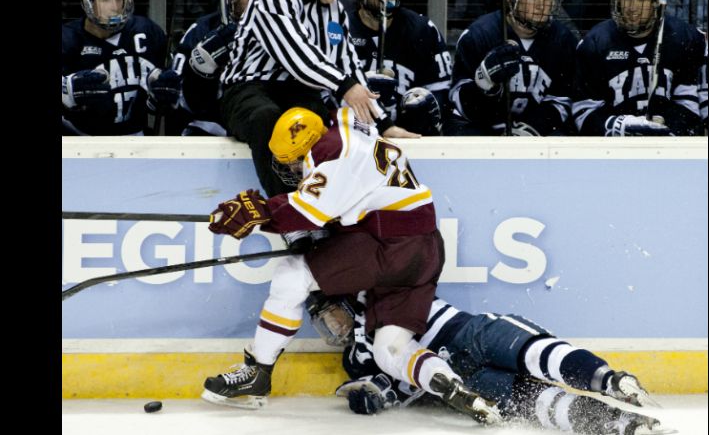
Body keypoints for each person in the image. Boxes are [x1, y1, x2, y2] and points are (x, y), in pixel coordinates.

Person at [201, 106, 503, 425]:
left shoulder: (332, 156)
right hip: (425, 250)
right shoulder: (349, 128)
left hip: (391, 245)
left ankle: (256, 373)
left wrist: (261, 211)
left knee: (292, 275)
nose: (291, 169)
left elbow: (306, 213)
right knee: (390, 350)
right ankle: (451, 386)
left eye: (294, 161)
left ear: (309, 148)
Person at [317, 292, 673, 435]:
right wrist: (369, 396)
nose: (332, 328)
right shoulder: (355, 360)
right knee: (538, 403)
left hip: (469, 332)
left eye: (332, 315)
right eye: (324, 324)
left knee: (537, 354)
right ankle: (617, 423)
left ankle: (608, 379)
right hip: (463, 378)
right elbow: (392, 386)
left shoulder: (380, 292)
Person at [218, 0, 417, 200]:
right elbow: (296, 56)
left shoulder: (335, 11)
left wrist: (382, 122)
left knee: (319, 123)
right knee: (267, 118)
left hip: (300, 91)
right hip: (248, 89)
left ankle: (321, 208)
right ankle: (290, 212)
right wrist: (345, 86)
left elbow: (349, 66)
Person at [571, 0, 705, 136]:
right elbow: (583, 112)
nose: (632, 8)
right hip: (612, 150)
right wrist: (622, 125)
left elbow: (690, 104)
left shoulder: (683, 38)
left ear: (656, 3)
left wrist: (668, 130)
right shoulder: (596, 42)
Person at [447, 0, 578, 136]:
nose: (542, 6)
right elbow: (458, 105)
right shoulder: (479, 35)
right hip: (484, 130)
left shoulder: (563, 40)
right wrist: (483, 84)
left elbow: (562, 100)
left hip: (536, 134)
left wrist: (531, 128)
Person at [62, 0, 182, 135]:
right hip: (78, 140)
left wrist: (162, 96)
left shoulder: (147, 32)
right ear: (86, 2)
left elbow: (168, 92)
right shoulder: (67, 38)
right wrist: (66, 90)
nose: (115, 7)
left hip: (133, 140)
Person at [343, 0, 451, 135]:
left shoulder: (423, 29)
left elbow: (442, 94)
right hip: (355, 135)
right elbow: (326, 96)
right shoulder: (342, 28)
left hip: (410, 136)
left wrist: (420, 106)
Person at [169, 0, 272, 135]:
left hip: (260, 128)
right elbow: (180, 103)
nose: (258, 3)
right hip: (209, 129)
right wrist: (200, 73)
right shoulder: (202, 30)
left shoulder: (281, 33)